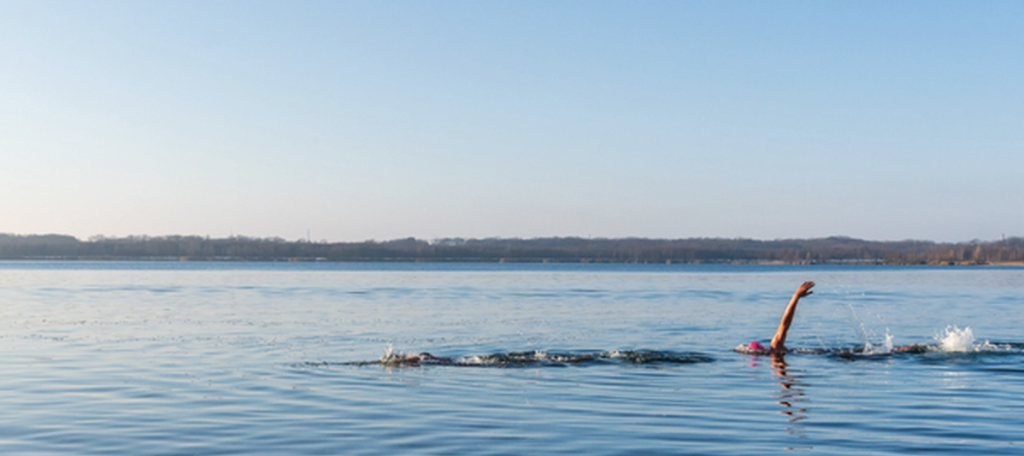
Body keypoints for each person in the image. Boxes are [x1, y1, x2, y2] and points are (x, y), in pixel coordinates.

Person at [747, 281, 815, 354]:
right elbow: (785, 324)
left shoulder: (774, 350)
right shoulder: (775, 346)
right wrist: (796, 297)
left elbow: (785, 324)